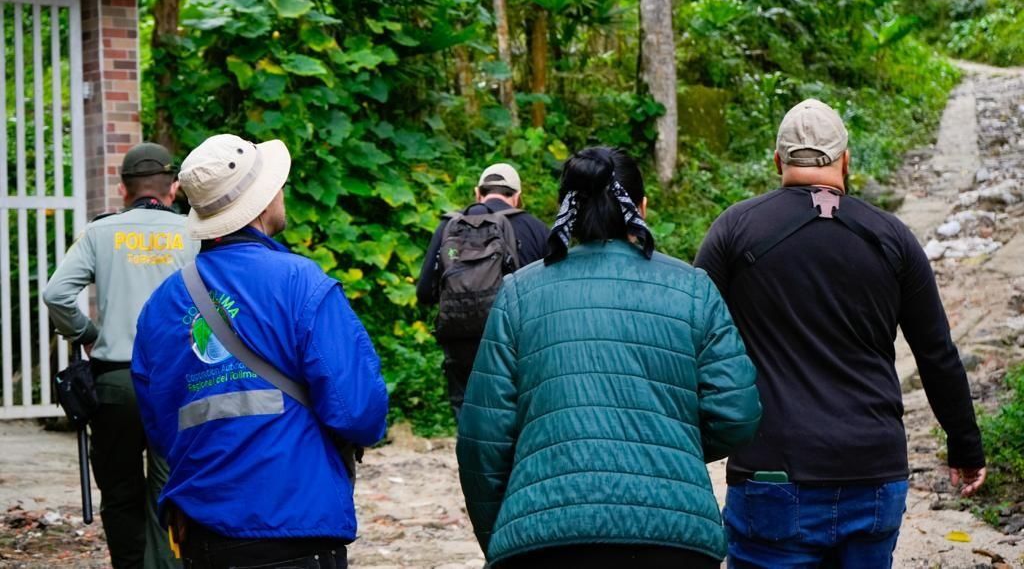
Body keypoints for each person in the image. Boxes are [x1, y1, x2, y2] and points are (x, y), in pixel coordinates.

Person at [694, 99, 987, 568]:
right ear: (845, 160)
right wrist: (965, 446)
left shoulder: (735, 230)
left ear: (777, 161)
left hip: (773, 472)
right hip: (872, 472)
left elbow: (693, 336)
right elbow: (936, 352)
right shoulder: (892, 237)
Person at [457, 146, 762, 569]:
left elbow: (481, 438)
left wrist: (506, 534)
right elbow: (737, 412)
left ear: (566, 209)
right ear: (642, 207)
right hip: (673, 538)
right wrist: (672, 441)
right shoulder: (693, 289)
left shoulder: (518, 294)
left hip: (546, 539)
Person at [131, 134, 388, 569]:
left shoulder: (160, 306)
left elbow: (158, 426)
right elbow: (359, 409)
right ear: (265, 201)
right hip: (297, 523)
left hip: (202, 534)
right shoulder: (301, 284)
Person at [44, 142, 196, 569]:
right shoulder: (193, 233)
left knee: (119, 490)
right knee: (169, 491)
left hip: (115, 380)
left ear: (123, 189)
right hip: (176, 381)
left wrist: (86, 332)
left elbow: (56, 293)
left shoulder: (100, 232)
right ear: (174, 187)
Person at [417, 162, 548, 419]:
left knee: (468, 418)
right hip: (516, 343)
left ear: (478, 193)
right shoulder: (537, 229)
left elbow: (424, 293)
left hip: (460, 344)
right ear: (517, 196)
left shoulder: (449, 227)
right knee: (515, 417)